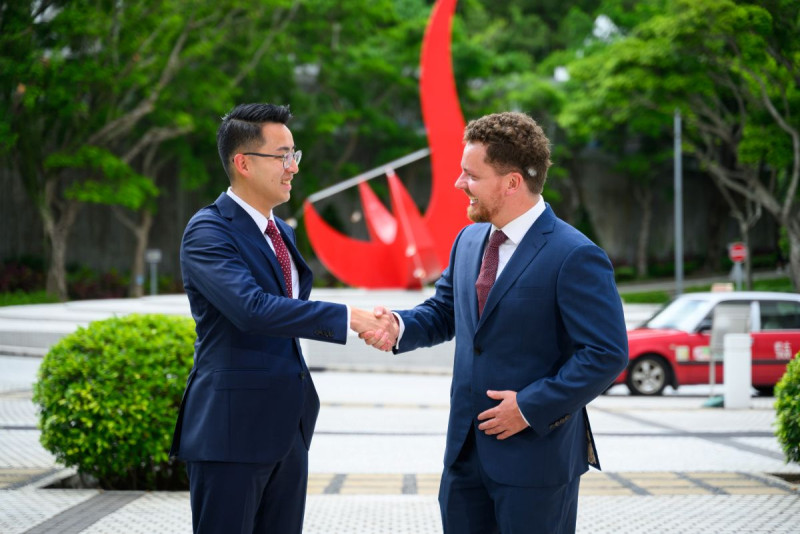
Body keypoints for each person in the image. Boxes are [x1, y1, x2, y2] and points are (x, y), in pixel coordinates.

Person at [363, 111, 629, 534]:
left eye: (471, 175)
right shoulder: (468, 240)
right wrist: (399, 326)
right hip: (464, 459)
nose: (458, 183)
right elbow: (445, 311)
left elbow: (606, 354)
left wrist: (528, 407)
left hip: (536, 462)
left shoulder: (575, 254)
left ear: (512, 183)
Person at [170, 103, 393, 534]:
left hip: (287, 429)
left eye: (295, 154)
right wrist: (348, 317)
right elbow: (251, 308)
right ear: (243, 163)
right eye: (282, 156)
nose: (293, 167)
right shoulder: (208, 231)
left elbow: (287, 317)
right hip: (231, 432)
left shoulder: (282, 233)